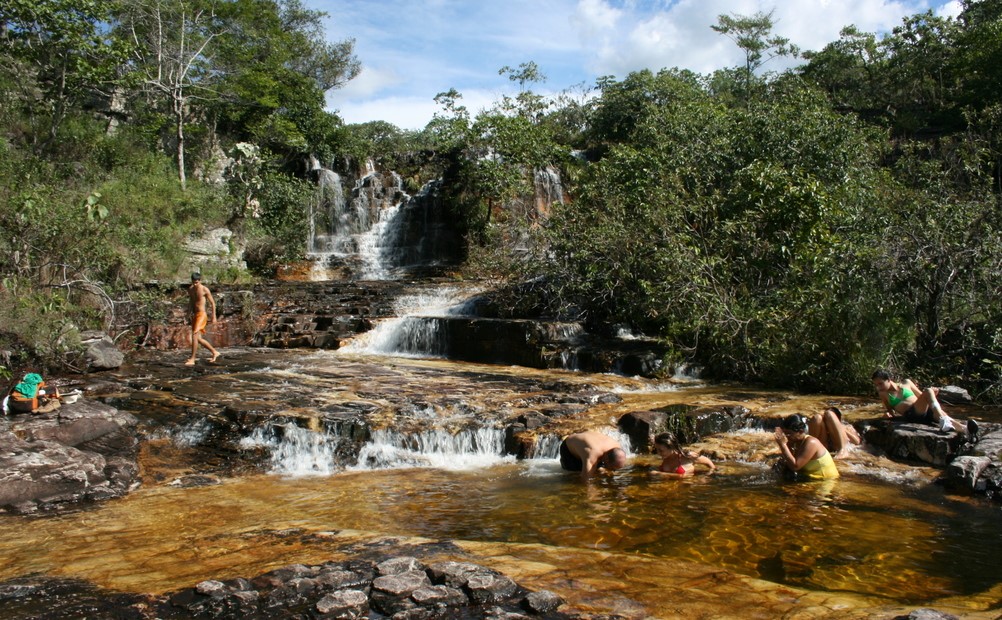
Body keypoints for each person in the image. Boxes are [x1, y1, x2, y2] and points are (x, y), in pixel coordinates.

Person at [871, 369, 978, 439]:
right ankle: (944, 421)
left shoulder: (907, 383)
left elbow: (922, 396)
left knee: (931, 398)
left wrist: (933, 395)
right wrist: (888, 415)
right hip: (911, 414)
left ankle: (965, 430)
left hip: (923, 410)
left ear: (889, 379)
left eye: (880, 383)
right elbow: (890, 410)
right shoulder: (883, 394)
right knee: (929, 392)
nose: (878, 387)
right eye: (876, 385)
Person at [774, 414, 839, 481]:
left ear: (801, 431)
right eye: (785, 434)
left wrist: (783, 445)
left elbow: (795, 466)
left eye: (789, 433)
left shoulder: (811, 442)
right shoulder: (794, 441)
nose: (786, 436)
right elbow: (786, 460)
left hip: (825, 480)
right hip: (810, 478)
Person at [559, 430, 628, 480]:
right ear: (606, 459)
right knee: (573, 475)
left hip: (587, 441)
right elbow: (585, 480)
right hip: (569, 448)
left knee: (597, 470)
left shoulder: (617, 446)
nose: (614, 471)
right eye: (613, 468)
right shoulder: (592, 455)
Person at [185, 272, 220, 366]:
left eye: (197, 282)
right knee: (198, 338)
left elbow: (212, 303)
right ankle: (214, 352)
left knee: (194, 335)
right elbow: (191, 303)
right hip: (195, 314)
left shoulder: (204, 289)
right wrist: (187, 315)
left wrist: (214, 317)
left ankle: (192, 359)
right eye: (193, 282)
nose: (195, 284)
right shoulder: (191, 289)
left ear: (200, 280)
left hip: (202, 314)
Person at [651, 432, 715, 476]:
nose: (658, 453)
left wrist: (707, 476)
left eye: (661, 451)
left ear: (671, 447)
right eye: (657, 450)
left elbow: (708, 462)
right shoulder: (666, 457)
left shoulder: (688, 456)